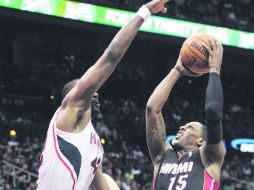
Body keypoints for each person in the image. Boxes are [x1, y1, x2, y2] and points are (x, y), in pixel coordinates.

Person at [37, 0, 169, 189]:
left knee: (109, 180)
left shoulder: (95, 145)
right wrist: (145, 11)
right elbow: (111, 55)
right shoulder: (67, 113)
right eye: (87, 90)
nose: (95, 92)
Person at [146, 39, 225, 189]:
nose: (182, 127)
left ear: (201, 141)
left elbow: (213, 112)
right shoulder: (162, 157)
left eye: (190, 128)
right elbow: (152, 109)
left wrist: (215, 69)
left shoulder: (208, 158)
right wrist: (177, 70)